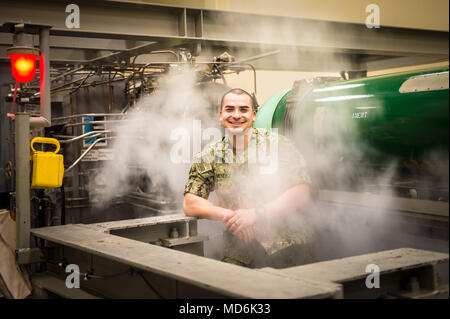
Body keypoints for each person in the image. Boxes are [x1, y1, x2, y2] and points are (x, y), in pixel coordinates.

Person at [183, 88, 315, 268]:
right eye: (230, 109)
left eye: (243, 109)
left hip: (288, 246)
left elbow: (301, 193)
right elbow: (190, 203)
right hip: (239, 252)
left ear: (254, 115)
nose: (236, 115)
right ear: (221, 115)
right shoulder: (209, 155)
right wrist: (228, 215)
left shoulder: (279, 145)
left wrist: (256, 214)